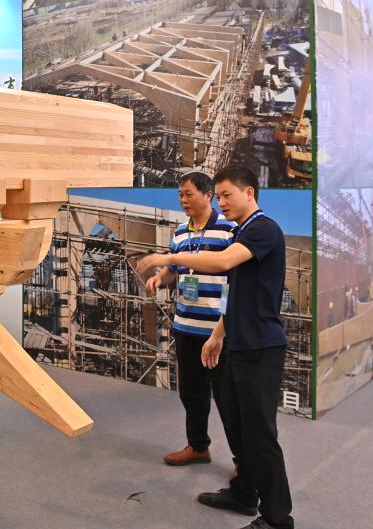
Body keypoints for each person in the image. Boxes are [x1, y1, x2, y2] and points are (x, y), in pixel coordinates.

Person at [138, 165, 294, 529]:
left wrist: (169, 258)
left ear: (249, 192)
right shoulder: (242, 231)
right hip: (237, 341)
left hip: (260, 347)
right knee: (241, 426)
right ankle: (244, 493)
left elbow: (222, 262)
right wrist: (218, 334)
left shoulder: (263, 229)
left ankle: (277, 520)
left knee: (260, 435)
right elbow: (234, 292)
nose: (221, 202)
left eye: (226, 195)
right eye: (219, 196)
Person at [144, 171, 237, 468]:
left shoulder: (229, 230)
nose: (183, 200)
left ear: (208, 196)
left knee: (227, 399)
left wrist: (224, 328)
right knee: (191, 393)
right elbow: (174, 268)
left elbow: (235, 276)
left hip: (217, 331)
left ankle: (243, 463)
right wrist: (160, 278)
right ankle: (198, 446)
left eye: (189, 194)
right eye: (180, 195)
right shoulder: (181, 232)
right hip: (185, 326)